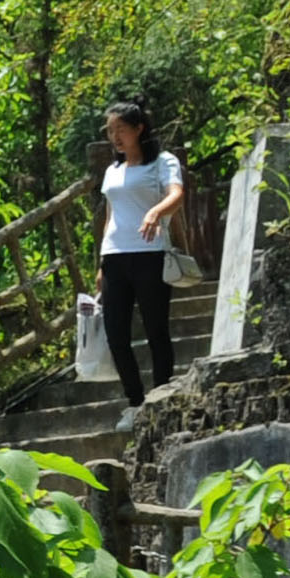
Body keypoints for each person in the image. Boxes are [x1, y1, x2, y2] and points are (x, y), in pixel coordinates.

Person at [95, 100, 187, 405]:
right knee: (115, 335)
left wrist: (154, 213)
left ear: (139, 128)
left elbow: (176, 195)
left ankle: (162, 396)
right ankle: (135, 401)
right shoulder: (113, 170)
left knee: (155, 329)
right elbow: (111, 215)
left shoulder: (162, 161)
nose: (115, 137)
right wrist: (100, 262)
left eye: (121, 129)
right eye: (110, 131)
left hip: (150, 254)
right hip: (114, 257)